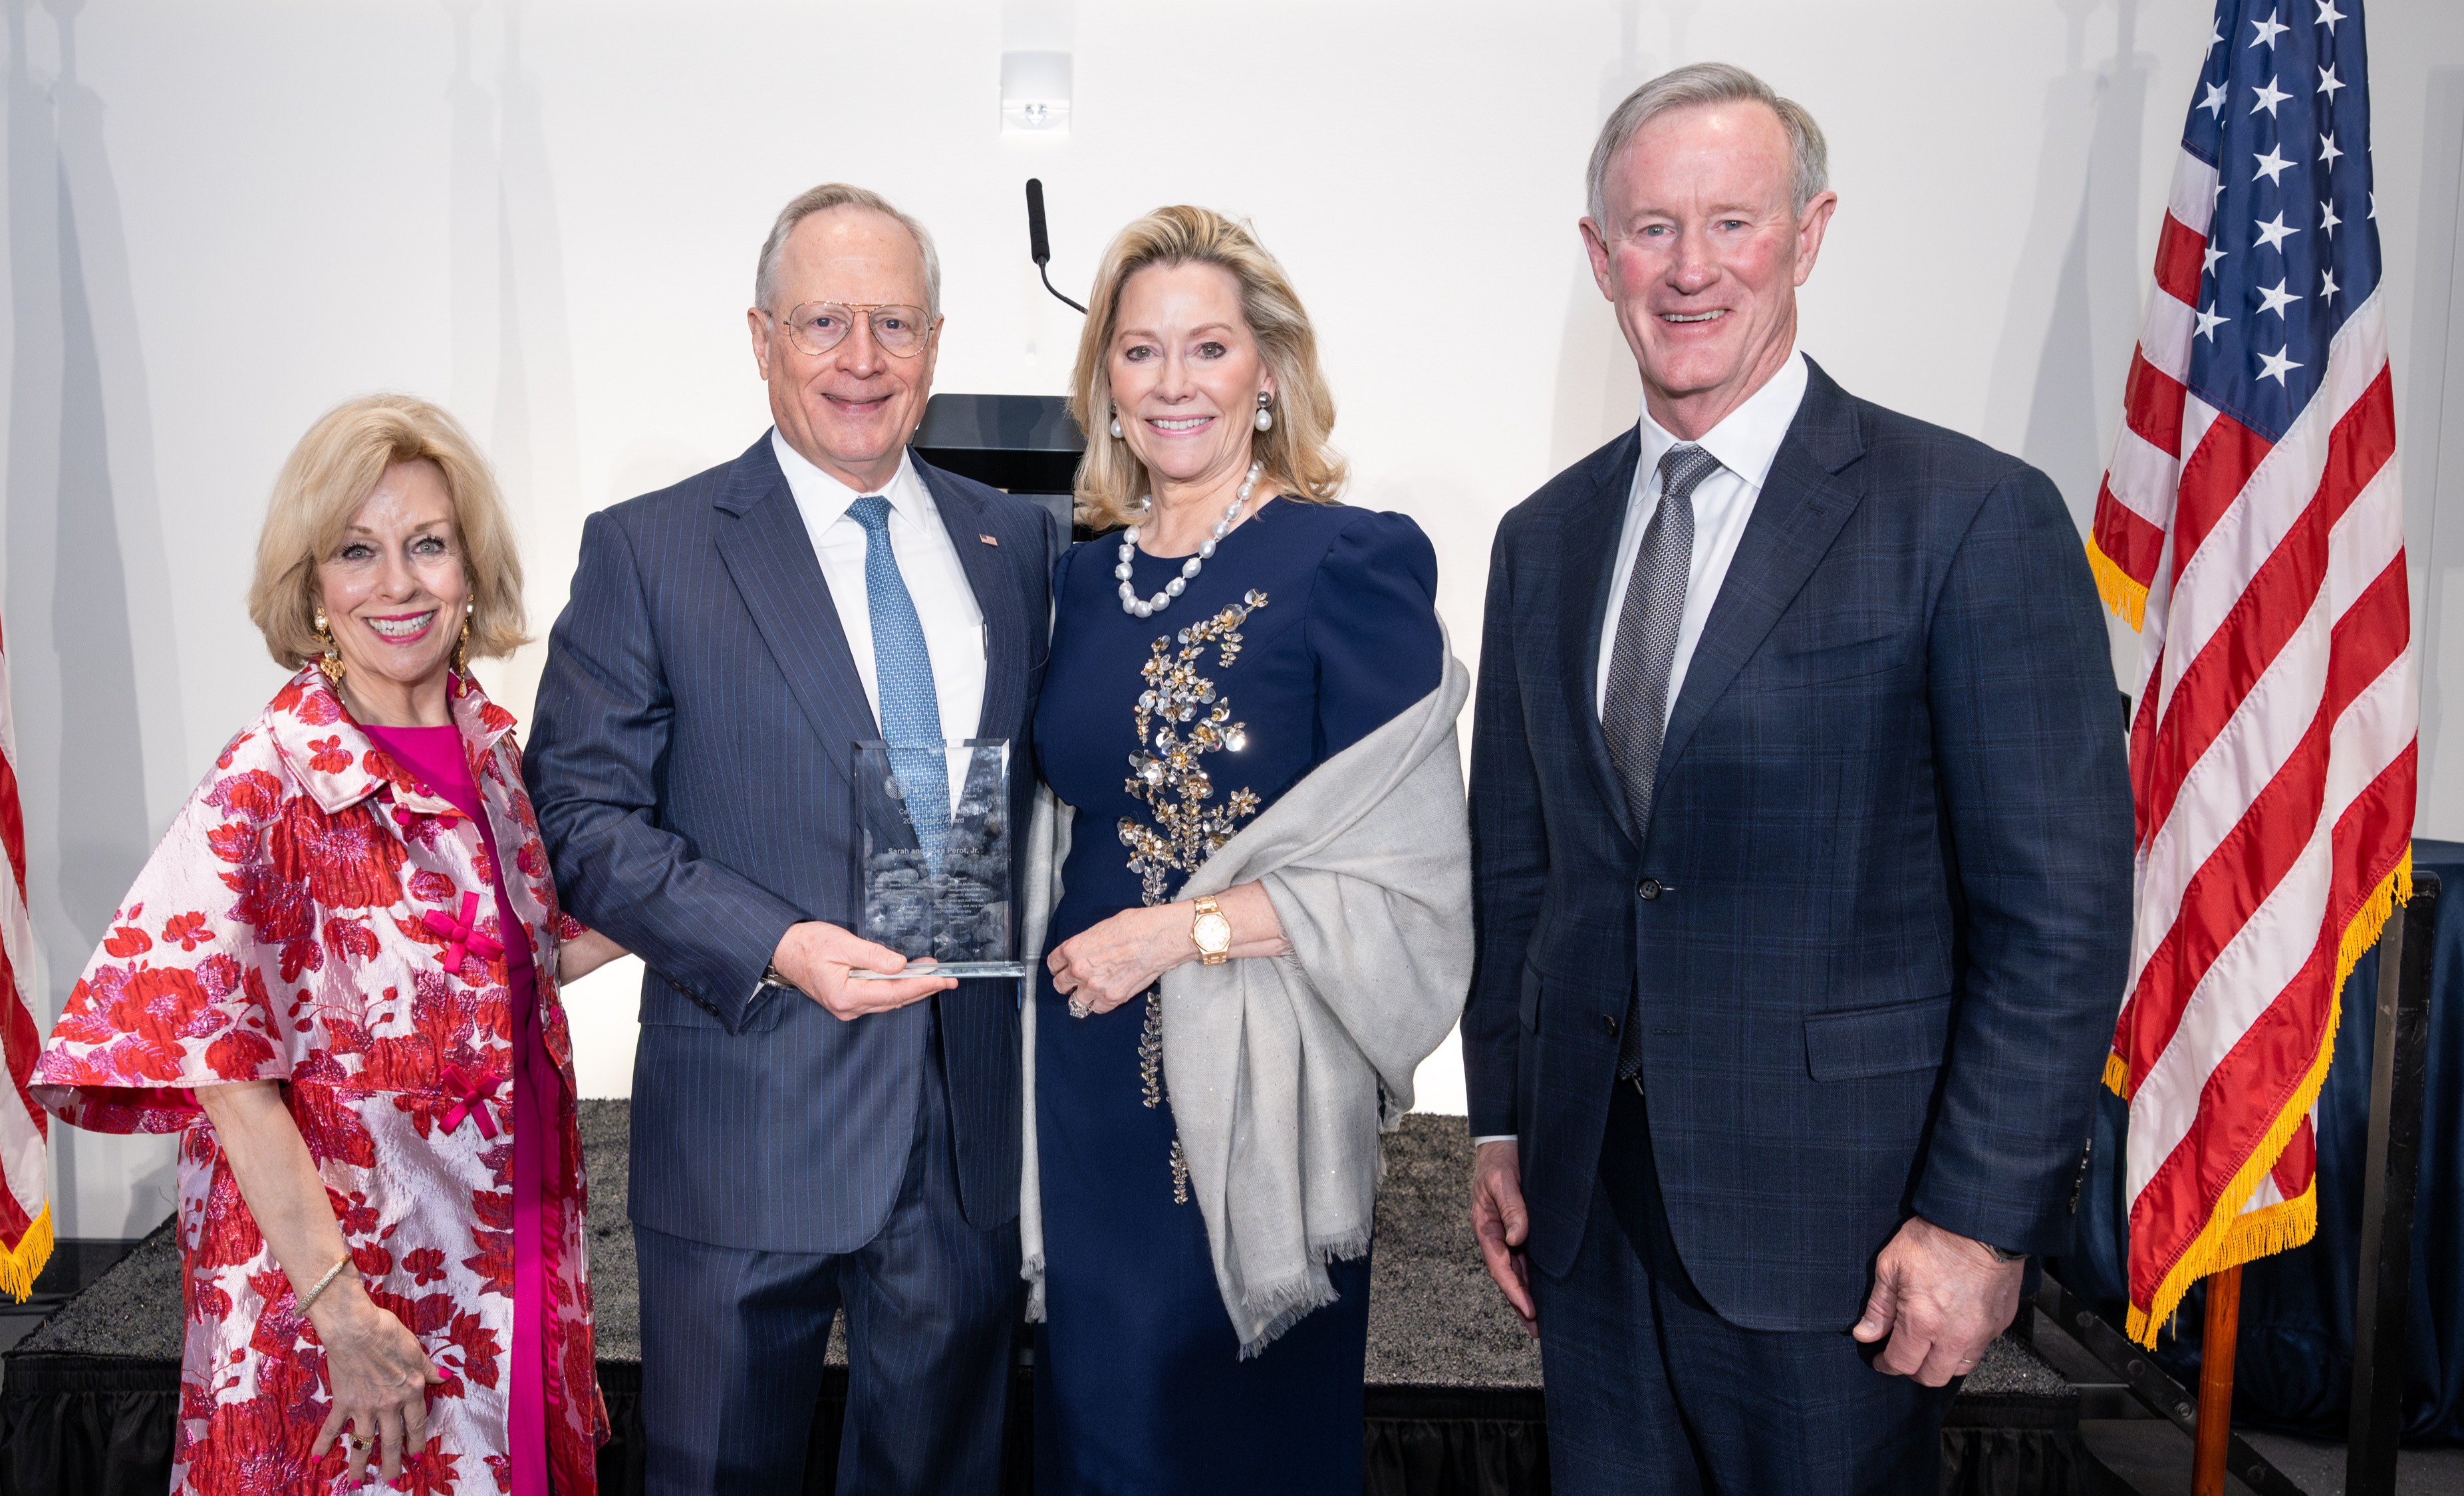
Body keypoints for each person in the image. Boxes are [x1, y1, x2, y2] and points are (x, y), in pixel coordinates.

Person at [1460, 62, 2135, 1493]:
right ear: (1597, 256)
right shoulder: (1545, 538)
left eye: (1731, 224)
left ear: (1808, 234)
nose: (1688, 268)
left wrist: (1977, 1224)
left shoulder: (1968, 520)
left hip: (1846, 1241)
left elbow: (2055, 917)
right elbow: (1523, 869)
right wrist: (1506, 1120)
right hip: (1586, 1222)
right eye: (1648, 229)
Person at [523, 183, 1062, 1495]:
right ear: (760, 337)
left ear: (936, 340)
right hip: (745, 1126)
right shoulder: (650, 551)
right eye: (824, 321)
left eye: (892, 322)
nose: (860, 359)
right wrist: (776, 943)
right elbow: (580, 822)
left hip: (962, 1137)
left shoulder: (1020, 544)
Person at [31, 394, 620, 1495]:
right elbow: (225, 1072)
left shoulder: (488, 743)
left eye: (428, 545)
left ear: (470, 567)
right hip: (350, 1296)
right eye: (359, 550)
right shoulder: (268, 777)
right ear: (312, 586)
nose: (398, 582)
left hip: (507, 1247)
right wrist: (340, 1311)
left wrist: (722, 887)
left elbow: (519, 958)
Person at [1025, 205, 1470, 1493]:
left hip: (1247, 1085)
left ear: (1265, 372)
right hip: (1083, 1073)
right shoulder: (1077, 580)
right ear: (1103, 377)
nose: (1172, 383)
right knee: (1099, 1433)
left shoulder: (1347, 561)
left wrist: (1182, 931)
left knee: (1223, 1440)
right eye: (1139, 350)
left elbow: (1414, 877)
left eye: (1206, 348)